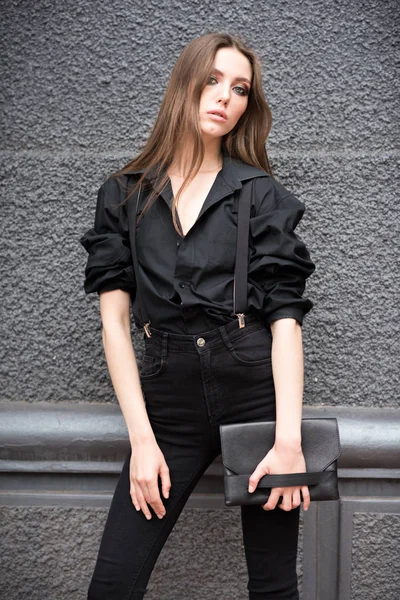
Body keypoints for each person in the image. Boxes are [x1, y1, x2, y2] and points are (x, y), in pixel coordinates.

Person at [80, 32, 315, 600]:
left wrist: (288, 440)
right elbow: (114, 322)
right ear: (184, 84)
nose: (224, 98)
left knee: (274, 587)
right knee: (113, 583)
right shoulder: (124, 194)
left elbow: (285, 321)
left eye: (239, 89)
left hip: (255, 398)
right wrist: (142, 439)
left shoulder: (260, 194)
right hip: (168, 405)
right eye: (212, 80)